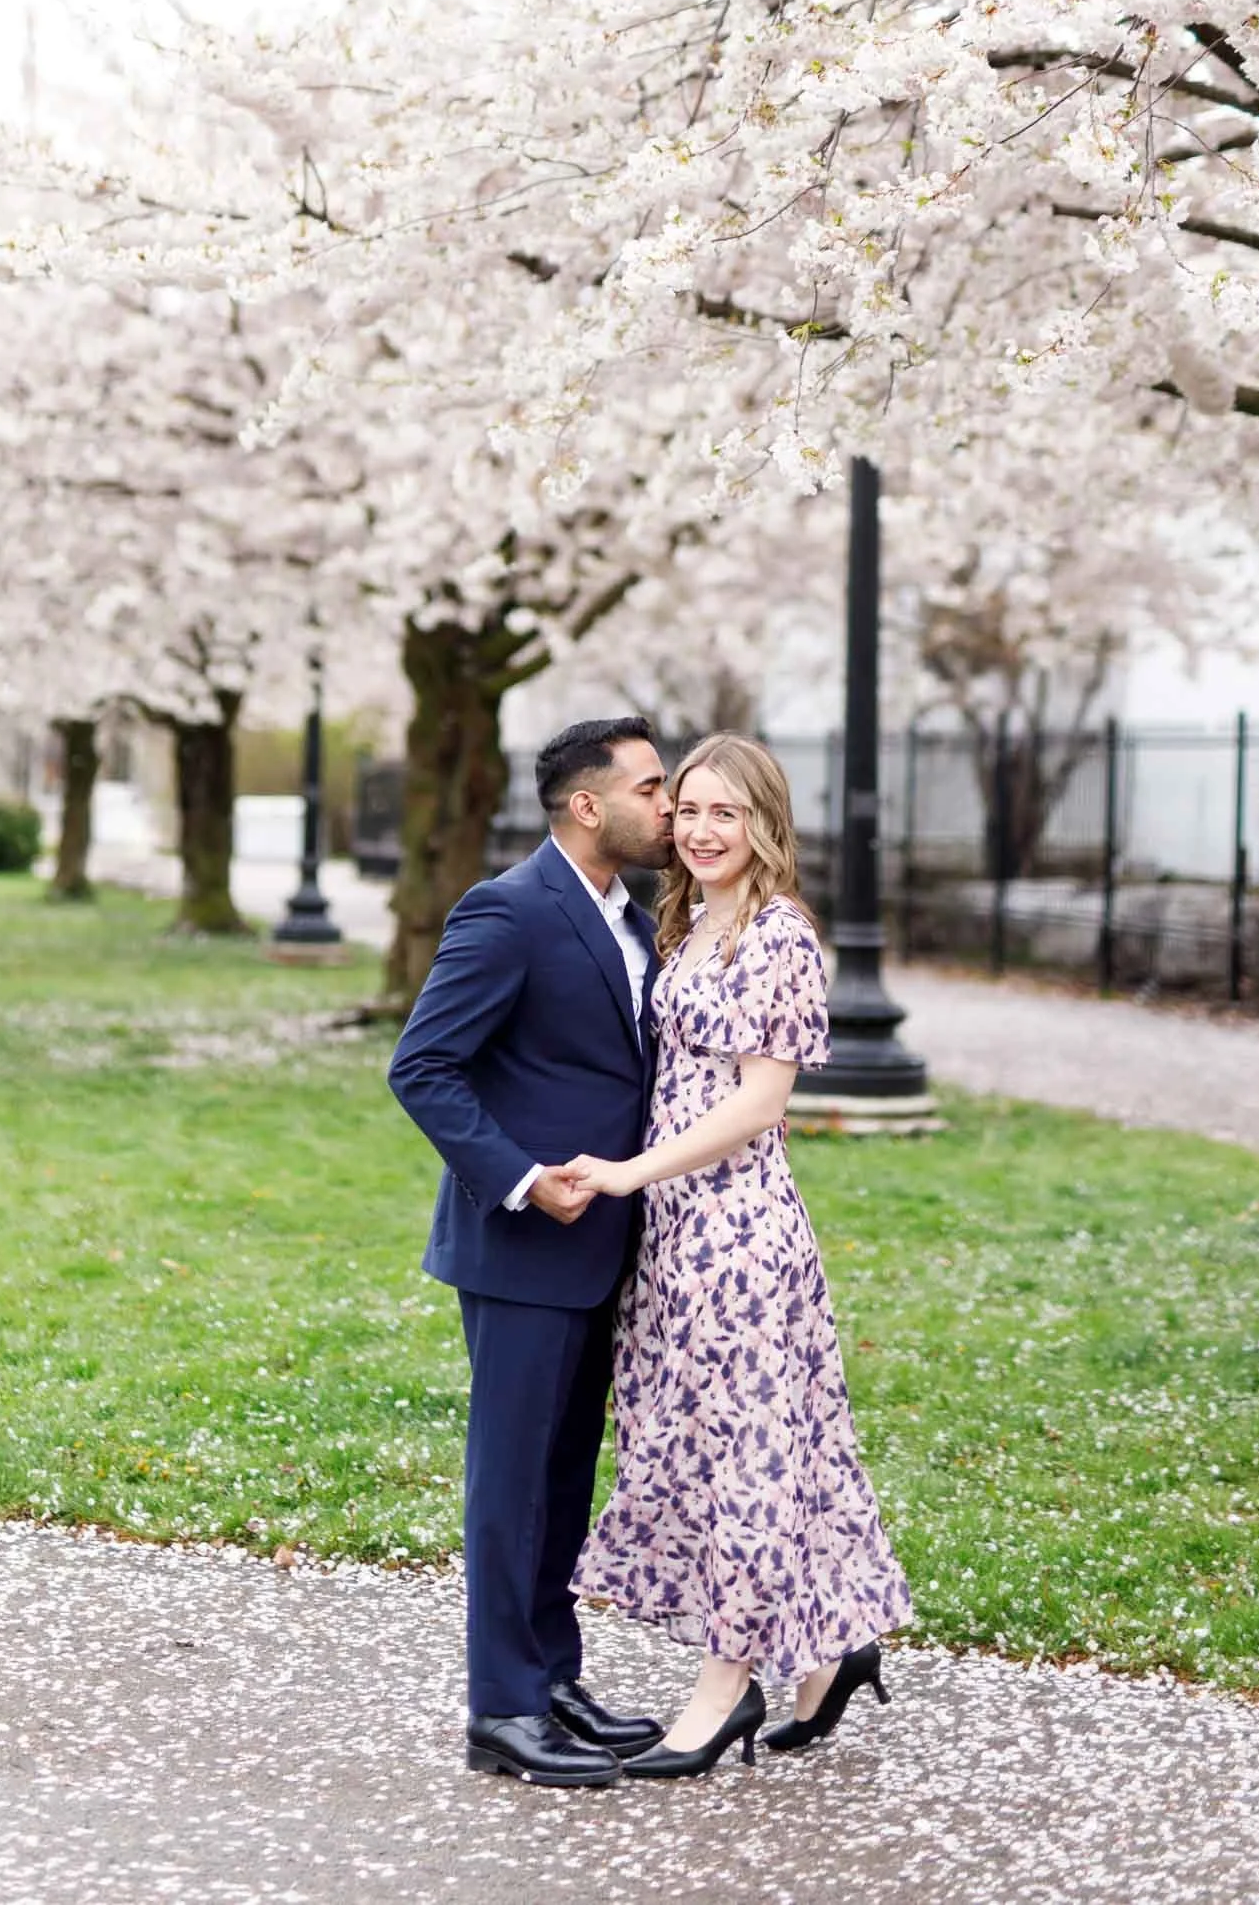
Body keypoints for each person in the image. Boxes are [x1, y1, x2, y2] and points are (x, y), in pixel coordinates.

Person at [567, 732, 913, 1777]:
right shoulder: (688, 922)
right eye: (691, 810)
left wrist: (630, 1170)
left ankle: (726, 1686)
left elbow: (760, 1102)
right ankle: (830, 1653)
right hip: (677, 1242)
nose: (705, 831)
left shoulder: (780, 937)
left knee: (747, 1465)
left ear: (765, 825)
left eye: (729, 813)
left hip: (739, 1238)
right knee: (748, 1449)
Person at [387, 717, 675, 1787]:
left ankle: (552, 1680)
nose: (670, 804)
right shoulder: (505, 912)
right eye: (650, 786)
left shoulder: (632, 921)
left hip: (603, 1247)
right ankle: (500, 1710)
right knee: (510, 1486)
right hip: (519, 1249)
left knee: (559, 1481)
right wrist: (518, 1177)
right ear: (586, 805)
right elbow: (423, 1068)